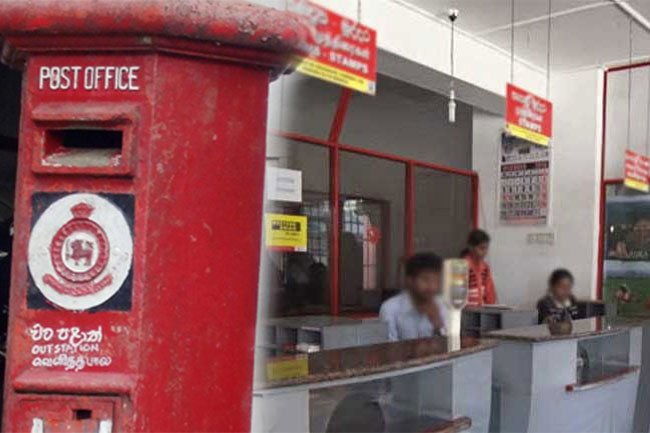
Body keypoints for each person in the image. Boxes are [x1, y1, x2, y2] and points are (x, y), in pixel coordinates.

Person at [379, 252, 447, 341]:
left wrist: (438, 324)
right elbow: (387, 347)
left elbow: (452, 345)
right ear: (410, 281)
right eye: (425, 279)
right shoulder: (390, 308)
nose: (432, 287)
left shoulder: (443, 305)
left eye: (436, 280)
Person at [462, 229, 497, 306]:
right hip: (466, 310)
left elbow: (490, 292)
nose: (485, 252)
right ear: (471, 247)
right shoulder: (462, 266)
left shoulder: (485, 267)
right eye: (481, 248)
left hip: (482, 310)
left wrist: (490, 308)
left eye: (486, 248)